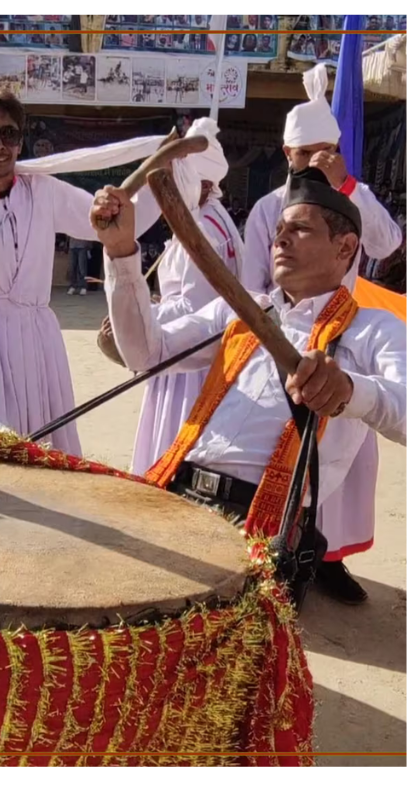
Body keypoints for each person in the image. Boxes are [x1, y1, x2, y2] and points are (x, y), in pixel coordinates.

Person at [92, 167, 405, 605]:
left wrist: (351, 390)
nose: (280, 239)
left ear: (346, 247)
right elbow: (144, 352)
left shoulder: (372, 330)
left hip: (260, 526)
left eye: (299, 229)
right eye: (279, 229)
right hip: (179, 493)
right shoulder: (241, 309)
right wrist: (122, 252)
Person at [0, 85, 183, 454]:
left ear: (19, 141)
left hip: (36, 339)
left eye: (8, 134)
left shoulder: (43, 191)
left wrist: (163, 165)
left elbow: (116, 226)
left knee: (44, 448)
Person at [239, 63, 404, 601]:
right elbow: (251, 287)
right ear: (286, 156)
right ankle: (285, 547)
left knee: (346, 463)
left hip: (349, 343)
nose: (312, 162)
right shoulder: (269, 209)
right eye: (302, 153)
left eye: (323, 151)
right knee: (285, 458)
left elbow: (386, 244)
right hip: (284, 343)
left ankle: (327, 557)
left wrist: (346, 186)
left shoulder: (354, 196)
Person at [130, 118, 257, 478]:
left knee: (176, 442)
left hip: (190, 356)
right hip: (196, 348)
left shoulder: (203, 230)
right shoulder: (213, 219)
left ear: (201, 182)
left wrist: (148, 314)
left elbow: (195, 308)